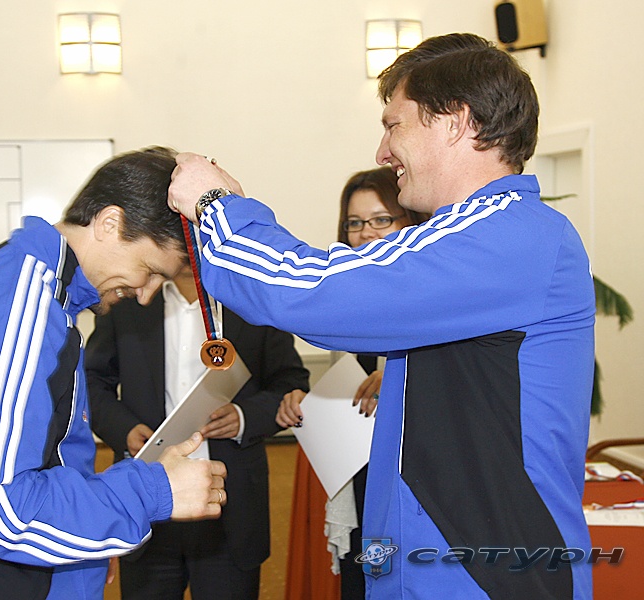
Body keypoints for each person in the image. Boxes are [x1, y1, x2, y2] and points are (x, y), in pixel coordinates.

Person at [168, 33, 595, 600]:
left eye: (395, 126)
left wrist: (214, 206)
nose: (382, 152)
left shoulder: (513, 235)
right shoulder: (469, 238)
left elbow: (313, 289)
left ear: (456, 122)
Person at [0, 147, 228, 600]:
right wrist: (150, 493)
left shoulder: (27, 283)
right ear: (110, 223)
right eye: (149, 270)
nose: (145, 295)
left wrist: (91, 531)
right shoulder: (19, 308)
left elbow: (39, 457)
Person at [85, 262, 310, 600]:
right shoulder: (129, 303)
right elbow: (92, 382)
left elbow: (291, 382)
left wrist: (245, 417)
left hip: (229, 503)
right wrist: (125, 429)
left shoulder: (251, 301)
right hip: (148, 496)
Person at [279, 167, 429, 600]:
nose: (366, 233)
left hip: (415, 482)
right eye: (355, 223)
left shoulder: (431, 293)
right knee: (359, 580)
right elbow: (347, 388)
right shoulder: (345, 300)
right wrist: (305, 402)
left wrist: (402, 376)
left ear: (410, 220)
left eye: (381, 219)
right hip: (357, 472)